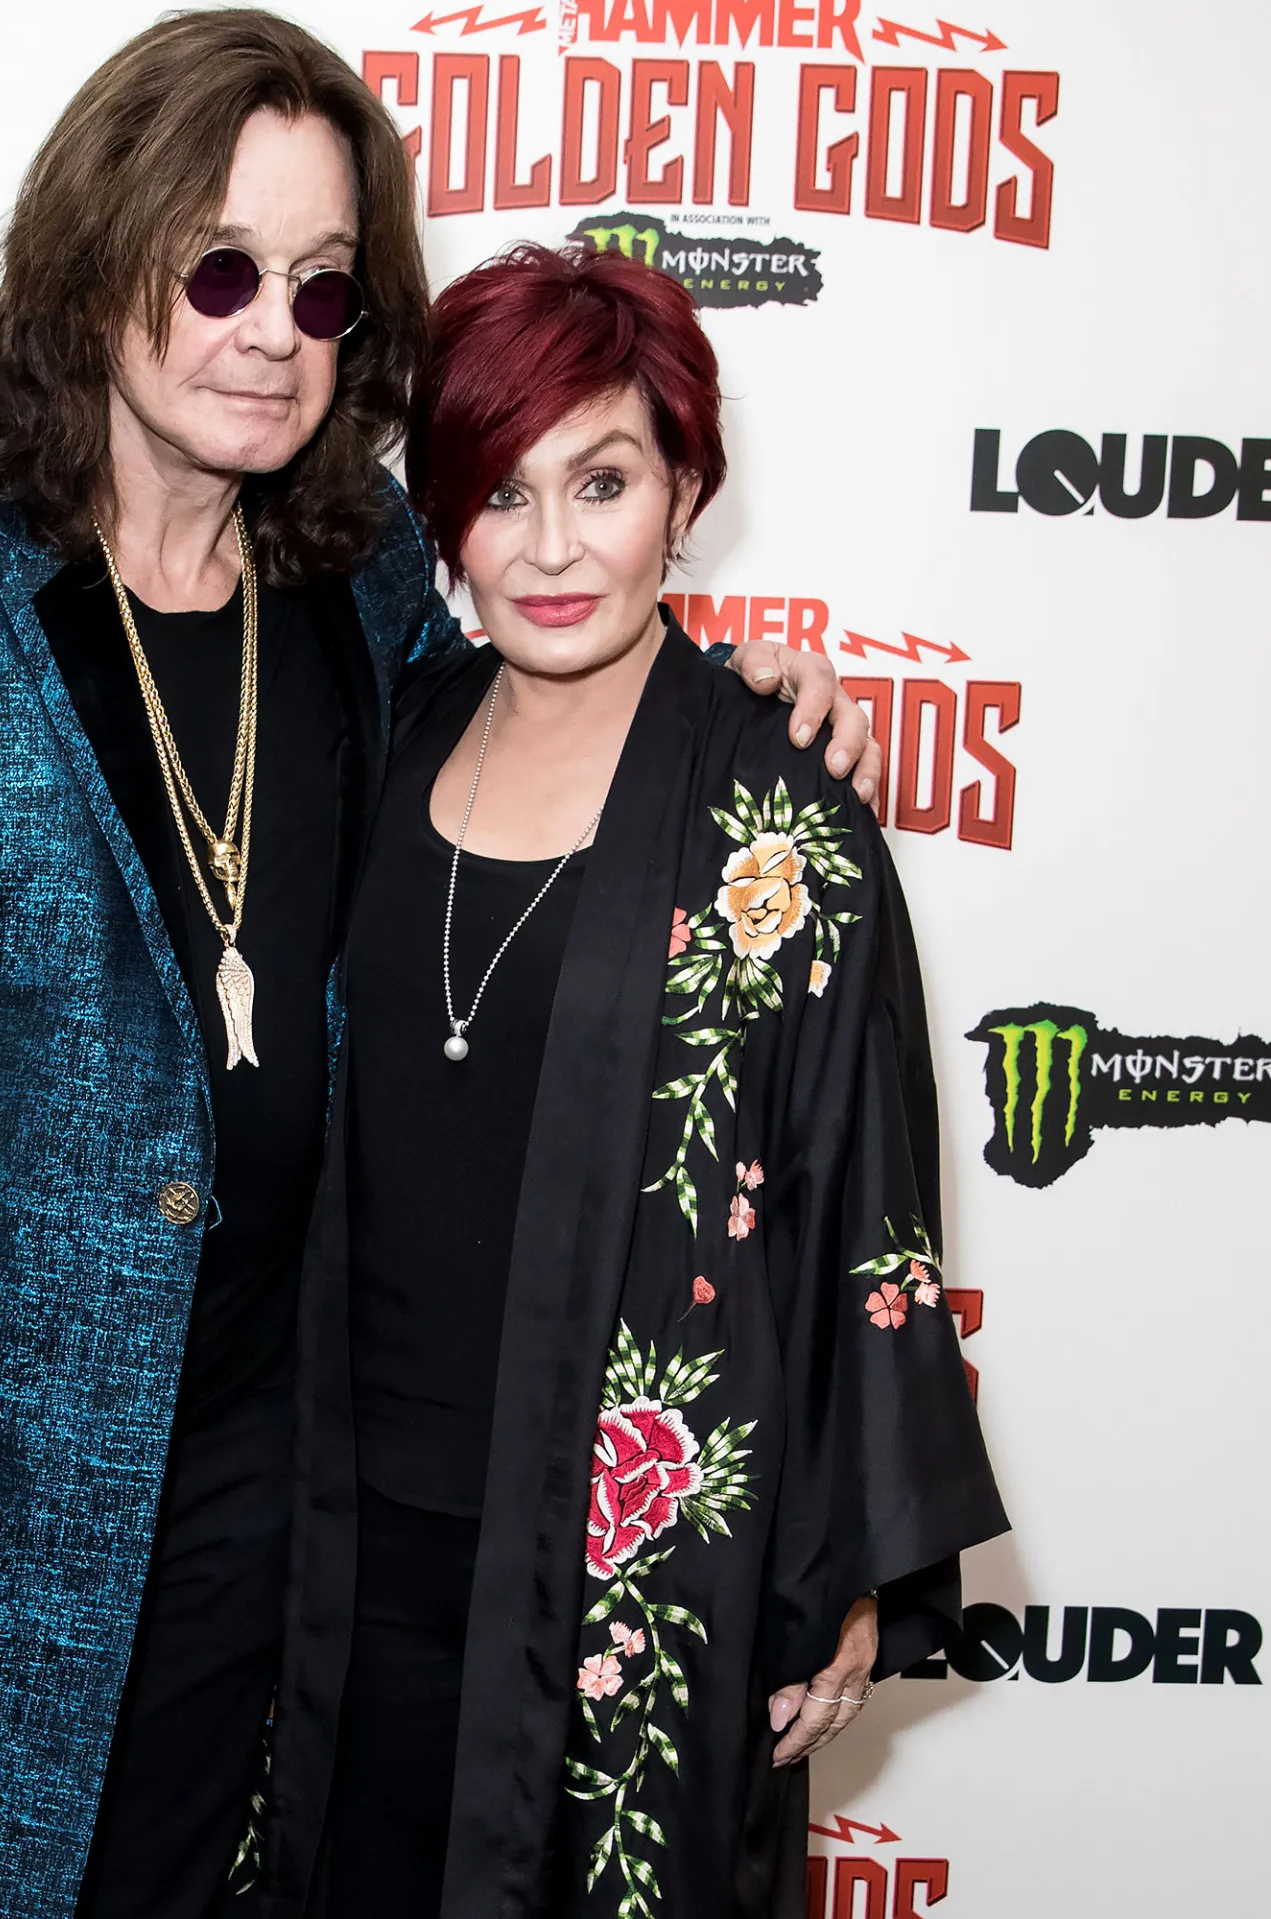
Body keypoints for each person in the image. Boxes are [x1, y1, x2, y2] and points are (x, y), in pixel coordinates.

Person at [0, 15, 880, 1919]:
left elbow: (551, 692)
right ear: (98, 261)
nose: (269, 332)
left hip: (263, 1476)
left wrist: (744, 702)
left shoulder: (361, 578)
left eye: (321, 289)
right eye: (218, 270)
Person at [262, 243, 1008, 1919]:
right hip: (343, 1548)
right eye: (497, 491)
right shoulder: (387, 730)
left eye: (599, 482)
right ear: (441, 516)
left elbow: (863, 1205)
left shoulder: (776, 808)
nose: (548, 547)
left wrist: (849, 1569)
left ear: (683, 490)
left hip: (634, 1582)